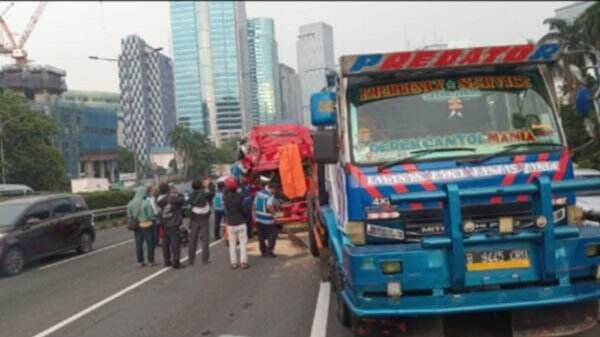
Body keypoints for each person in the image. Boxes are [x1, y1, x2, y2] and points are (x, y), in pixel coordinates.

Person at [157, 182, 186, 269]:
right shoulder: (171, 198)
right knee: (175, 243)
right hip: (173, 223)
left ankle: (167, 261)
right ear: (168, 189)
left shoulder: (157, 199)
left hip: (163, 223)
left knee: (165, 243)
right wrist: (177, 192)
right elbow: (182, 199)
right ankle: (176, 262)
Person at [127, 186, 157, 267]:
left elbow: (129, 215)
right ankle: (151, 261)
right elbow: (151, 215)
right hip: (147, 225)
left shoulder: (130, 203)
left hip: (137, 226)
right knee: (150, 243)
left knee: (139, 244)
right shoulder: (146, 203)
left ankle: (140, 261)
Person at [223, 176, 249, 269]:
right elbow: (244, 209)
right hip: (241, 221)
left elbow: (226, 210)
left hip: (231, 223)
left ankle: (234, 263)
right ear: (236, 186)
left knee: (232, 244)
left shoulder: (225, 198)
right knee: (243, 243)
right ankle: (243, 262)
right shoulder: (241, 196)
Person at [187, 178, 213, 265]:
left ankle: (191, 259)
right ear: (201, 185)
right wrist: (210, 184)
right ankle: (205, 258)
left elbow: (189, 202)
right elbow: (212, 193)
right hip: (204, 218)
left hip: (194, 218)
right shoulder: (205, 194)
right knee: (205, 239)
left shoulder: (191, 195)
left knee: (193, 239)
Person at [253, 177, 279, 258]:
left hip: (258, 218)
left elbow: (254, 205)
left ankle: (263, 251)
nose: (275, 192)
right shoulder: (270, 195)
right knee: (273, 235)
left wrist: (254, 216)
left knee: (261, 236)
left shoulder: (258, 193)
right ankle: (270, 251)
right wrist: (274, 214)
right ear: (272, 189)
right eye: (275, 190)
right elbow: (269, 206)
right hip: (267, 219)